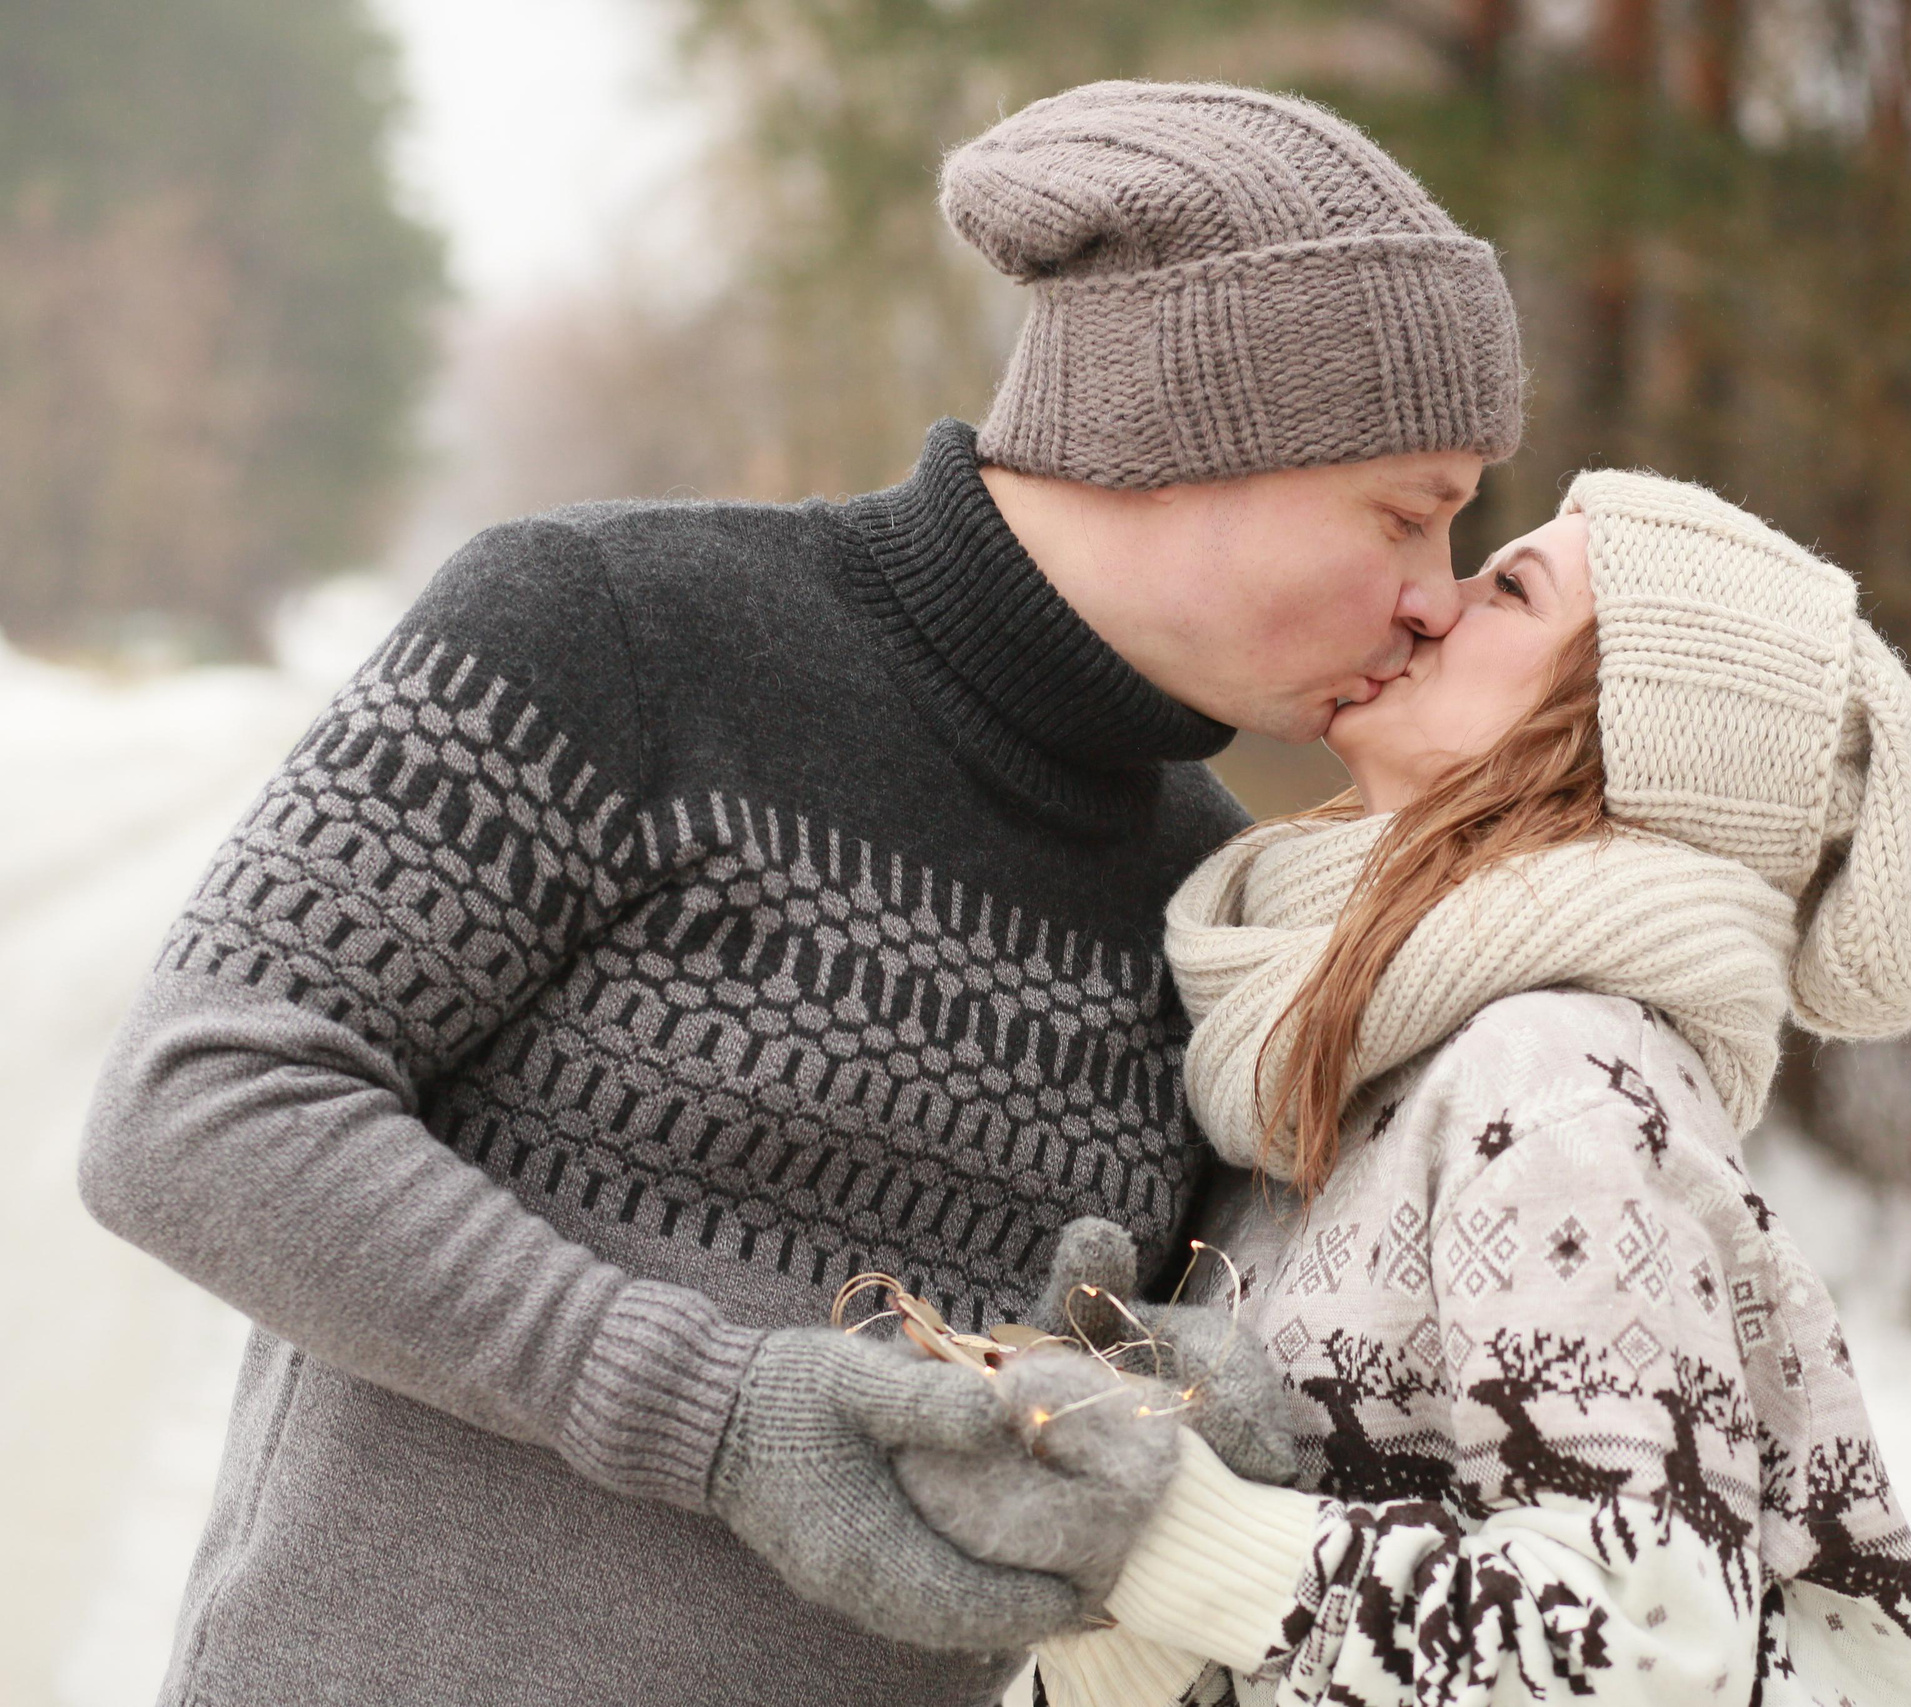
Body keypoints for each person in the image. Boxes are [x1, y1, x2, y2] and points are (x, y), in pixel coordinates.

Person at [75, 80, 1523, 1707]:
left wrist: (1159, 1417)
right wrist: (719, 1415)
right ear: (1197, 433)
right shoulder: (611, 627)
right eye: (1412, 512)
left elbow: (1080, 1405)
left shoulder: (1212, 889)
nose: (1432, 598)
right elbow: (195, 1100)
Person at [900, 470, 1911, 1705]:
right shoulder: (1337, 1048)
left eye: (1509, 589)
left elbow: (1643, 1652)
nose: (1428, 604)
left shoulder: (1561, 1077)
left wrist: (1171, 1535)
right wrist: (1105, 1589)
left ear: (1620, 740)